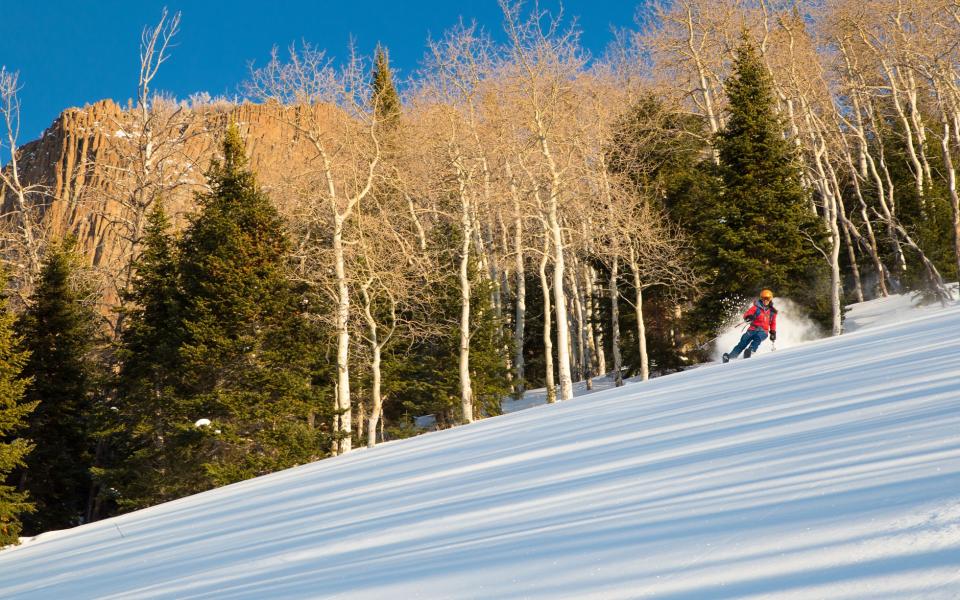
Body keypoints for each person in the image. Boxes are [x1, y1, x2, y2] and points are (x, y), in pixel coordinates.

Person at [723, 289, 777, 363]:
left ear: (770, 299)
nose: (765, 300)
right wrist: (749, 317)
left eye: (767, 299)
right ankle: (730, 356)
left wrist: (773, 332)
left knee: (757, 339)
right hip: (752, 329)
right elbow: (747, 314)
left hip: (763, 331)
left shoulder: (772, 312)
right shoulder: (756, 307)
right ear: (761, 298)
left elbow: (773, 323)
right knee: (743, 342)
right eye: (764, 298)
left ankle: (750, 351)